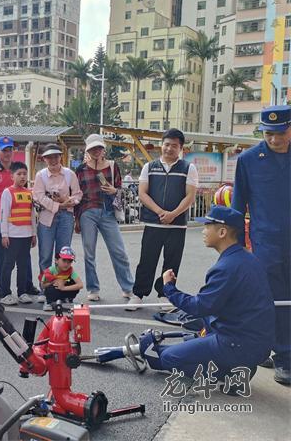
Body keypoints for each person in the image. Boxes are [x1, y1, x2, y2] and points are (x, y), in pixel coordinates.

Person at [147, 206, 275, 379]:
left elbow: (199, 307)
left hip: (236, 343)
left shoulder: (226, 267)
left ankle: (232, 375)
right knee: (196, 334)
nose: (203, 231)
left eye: (207, 226)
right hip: (255, 342)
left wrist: (169, 288)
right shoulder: (247, 258)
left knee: (168, 358)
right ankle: (238, 366)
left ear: (222, 232)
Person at [232, 105, 291, 385]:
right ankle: (284, 357)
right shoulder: (249, 160)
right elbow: (238, 203)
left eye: (280, 133)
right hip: (267, 242)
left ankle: (277, 347)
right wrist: (234, 246)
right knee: (275, 298)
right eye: (269, 134)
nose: (274, 139)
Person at [126, 129, 198, 311]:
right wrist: (160, 212)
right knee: (147, 260)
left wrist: (173, 214)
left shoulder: (188, 168)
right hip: (153, 222)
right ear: (161, 145)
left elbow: (190, 196)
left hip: (177, 225)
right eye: (166, 144)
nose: (169, 148)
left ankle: (165, 295)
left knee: (172, 262)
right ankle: (138, 295)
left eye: (174, 145)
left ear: (180, 148)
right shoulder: (149, 167)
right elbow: (142, 193)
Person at [75, 134, 134, 301]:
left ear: (103, 149)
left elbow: (121, 190)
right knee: (89, 253)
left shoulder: (113, 166)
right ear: (87, 150)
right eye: (92, 148)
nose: (96, 151)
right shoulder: (80, 169)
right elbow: (77, 194)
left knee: (119, 252)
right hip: (87, 212)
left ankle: (128, 287)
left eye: (99, 147)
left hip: (108, 212)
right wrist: (77, 219)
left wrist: (114, 191)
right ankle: (93, 288)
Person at [33, 143, 82, 296]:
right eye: (49, 157)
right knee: (45, 255)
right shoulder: (40, 175)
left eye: (56, 156)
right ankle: (45, 289)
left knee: (63, 255)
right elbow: (38, 196)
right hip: (46, 217)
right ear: (44, 159)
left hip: (66, 217)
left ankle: (61, 288)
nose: (53, 160)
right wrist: (59, 205)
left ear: (61, 157)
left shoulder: (69, 174)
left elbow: (78, 194)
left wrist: (67, 201)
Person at [0, 161, 37, 306]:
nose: (22, 177)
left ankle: (22, 292)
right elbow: (3, 214)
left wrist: (34, 234)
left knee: (23, 265)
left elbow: (32, 215)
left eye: (24, 174)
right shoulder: (7, 192)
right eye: (19, 174)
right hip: (12, 236)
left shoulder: (29, 193)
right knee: (8, 265)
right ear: (12, 176)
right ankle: (5, 293)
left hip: (26, 235)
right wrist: (4, 234)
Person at [40, 247, 84, 311]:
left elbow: (80, 285)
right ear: (56, 260)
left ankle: (67, 299)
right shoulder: (50, 270)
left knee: (73, 283)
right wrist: (54, 281)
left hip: (63, 288)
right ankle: (48, 302)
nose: (66, 264)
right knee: (50, 289)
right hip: (53, 288)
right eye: (64, 260)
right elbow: (43, 285)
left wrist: (63, 287)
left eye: (69, 261)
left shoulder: (70, 271)